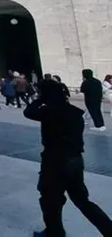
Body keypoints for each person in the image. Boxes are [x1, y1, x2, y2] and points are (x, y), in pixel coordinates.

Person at [25, 78, 112, 237]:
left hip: (55, 162)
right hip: (75, 160)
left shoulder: (49, 111)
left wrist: (40, 99)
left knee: (50, 201)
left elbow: (28, 112)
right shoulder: (74, 112)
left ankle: (54, 232)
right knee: (82, 201)